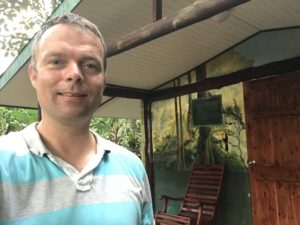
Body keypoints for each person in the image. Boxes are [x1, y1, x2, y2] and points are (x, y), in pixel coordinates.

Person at [0, 13, 153, 225]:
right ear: (33, 75)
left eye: (90, 65)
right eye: (56, 61)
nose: (75, 74)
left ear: (104, 81)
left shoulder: (132, 167)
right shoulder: (3, 163)